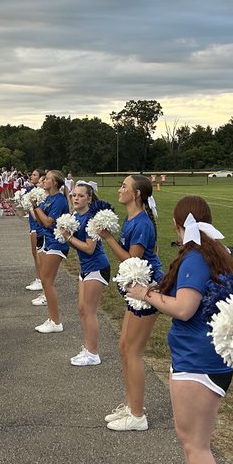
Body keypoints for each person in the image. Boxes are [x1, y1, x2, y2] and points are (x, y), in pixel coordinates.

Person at [124, 195, 233, 464]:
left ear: (177, 224)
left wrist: (144, 293)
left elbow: (184, 308)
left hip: (198, 363)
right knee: (194, 444)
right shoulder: (210, 252)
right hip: (202, 360)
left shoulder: (195, 257)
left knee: (196, 446)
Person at [98, 174, 162, 431]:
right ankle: (131, 405)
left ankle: (137, 416)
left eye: (124, 186)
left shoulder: (142, 224)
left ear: (137, 194)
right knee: (124, 347)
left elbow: (131, 261)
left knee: (133, 352)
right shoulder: (132, 219)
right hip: (136, 291)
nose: (119, 189)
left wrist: (108, 238)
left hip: (146, 291)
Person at [64, 181, 112, 367]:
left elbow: (90, 248)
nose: (76, 198)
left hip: (96, 266)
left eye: (81, 195)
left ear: (89, 199)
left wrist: (68, 237)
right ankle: (88, 347)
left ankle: (93, 353)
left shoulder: (91, 218)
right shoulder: (76, 215)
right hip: (85, 268)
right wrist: (67, 236)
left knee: (89, 311)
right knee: (82, 310)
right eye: (74, 195)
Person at [28, 170, 70, 334]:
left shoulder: (59, 200)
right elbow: (40, 219)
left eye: (47, 179)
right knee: (45, 281)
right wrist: (34, 206)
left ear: (54, 183)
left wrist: (36, 206)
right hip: (48, 241)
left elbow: (47, 222)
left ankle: (55, 321)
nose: (44, 181)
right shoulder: (49, 198)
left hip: (56, 243)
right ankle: (52, 318)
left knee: (47, 281)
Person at [23, 169, 45, 295]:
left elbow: (37, 214)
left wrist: (30, 207)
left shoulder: (41, 194)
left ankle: (41, 279)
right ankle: (38, 278)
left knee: (38, 254)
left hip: (38, 226)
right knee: (34, 253)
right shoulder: (31, 190)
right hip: (33, 225)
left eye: (35, 175)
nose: (32, 176)